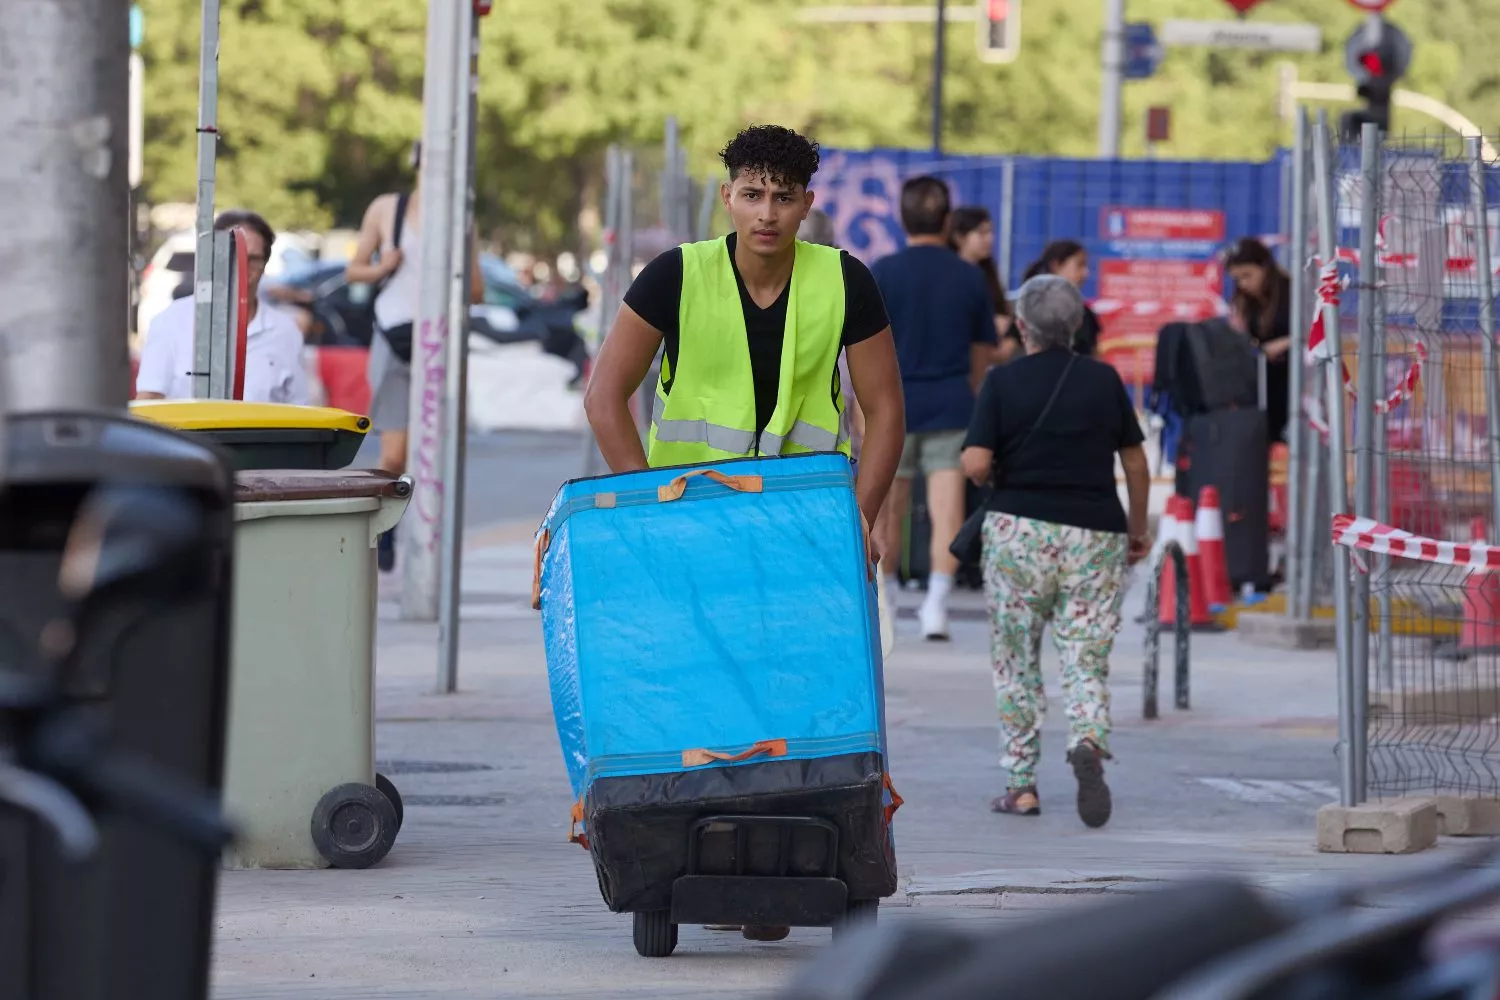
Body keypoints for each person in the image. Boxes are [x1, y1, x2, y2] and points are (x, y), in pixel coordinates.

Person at [583, 126, 905, 940]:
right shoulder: (676, 275)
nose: (767, 212)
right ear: (727, 196)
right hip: (690, 534)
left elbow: (887, 411)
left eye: (784, 196)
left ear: (807, 204)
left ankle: (782, 855)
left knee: (798, 699)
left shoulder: (843, 282)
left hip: (801, 538)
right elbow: (605, 396)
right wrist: (643, 513)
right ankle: (701, 851)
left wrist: (857, 522)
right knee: (697, 700)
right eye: (753, 193)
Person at [960, 275, 1150, 830]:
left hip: (1021, 533)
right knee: (1084, 656)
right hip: (1094, 535)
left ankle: (1021, 786)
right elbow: (1136, 464)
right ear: (1074, 325)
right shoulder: (1105, 380)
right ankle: (1088, 737)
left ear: (1021, 326)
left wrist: (995, 472)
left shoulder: (1002, 382)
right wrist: (1137, 530)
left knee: (1016, 660)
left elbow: (973, 462)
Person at [871, 177, 997, 641]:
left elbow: (864, 349)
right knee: (948, 511)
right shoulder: (967, 276)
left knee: (889, 511)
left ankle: (887, 602)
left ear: (901, 219)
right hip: (950, 404)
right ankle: (936, 607)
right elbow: (982, 351)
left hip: (892, 408)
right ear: (947, 221)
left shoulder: (882, 271)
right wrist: (972, 392)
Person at [348, 142, 482, 570]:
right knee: (395, 452)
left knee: (437, 451)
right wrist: (384, 266)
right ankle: (384, 532)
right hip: (394, 335)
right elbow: (354, 269)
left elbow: (476, 290)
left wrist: (451, 277)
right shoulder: (387, 208)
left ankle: (428, 544)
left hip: (440, 342)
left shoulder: (462, 219)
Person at [135, 209, 309, 405]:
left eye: (253, 259)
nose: (242, 267)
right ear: (212, 258)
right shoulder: (171, 321)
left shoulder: (285, 331)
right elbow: (149, 401)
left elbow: (299, 407)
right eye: (232, 256)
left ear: (265, 264)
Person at [1224, 237, 1291, 443]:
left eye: (1247, 276)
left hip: (1294, 378)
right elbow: (1240, 333)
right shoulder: (1244, 300)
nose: (1243, 284)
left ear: (1265, 267)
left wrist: (1286, 342)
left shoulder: (1291, 291)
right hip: (1262, 378)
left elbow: (1315, 333)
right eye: (1237, 279)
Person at [950, 206, 1018, 364]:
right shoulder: (948, 278)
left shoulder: (988, 274)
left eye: (990, 232)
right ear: (959, 237)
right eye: (981, 233)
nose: (989, 239)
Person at [1023, 240, 1100, 357]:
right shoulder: (1029, 308)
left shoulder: (1086, 314)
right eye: (1079, 265)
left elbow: (1094, 355)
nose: (1085, 273)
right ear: (1056, 265)